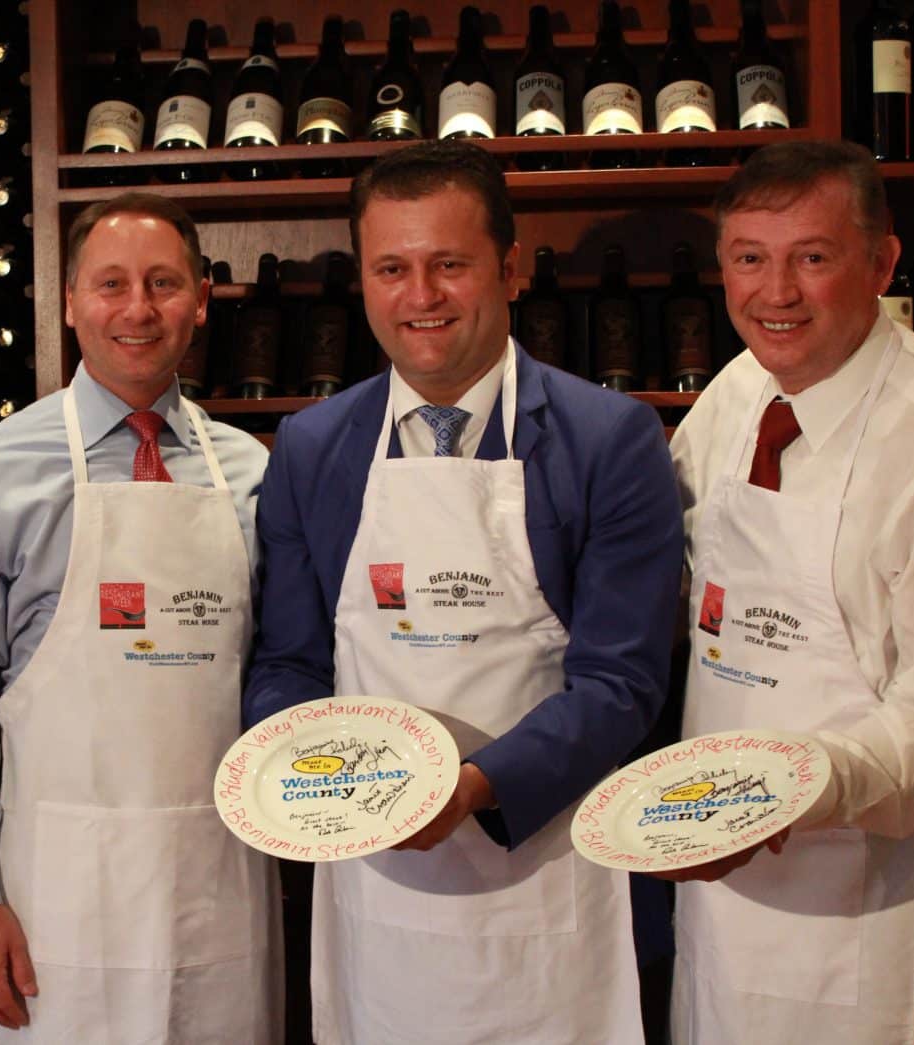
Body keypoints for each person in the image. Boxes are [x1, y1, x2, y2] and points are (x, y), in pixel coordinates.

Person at [244, 140, 683, 1043]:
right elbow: (290, 660)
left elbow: (621, 684)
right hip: (372, 892)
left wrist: (473, 788)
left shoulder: (611, 439)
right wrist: (307, 775)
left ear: (509, 268)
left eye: (450, 264)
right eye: (392, 269)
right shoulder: (312, 446)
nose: (422, 296)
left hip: (548, 875)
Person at [665, 140, 914, 1044]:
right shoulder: (737, 391)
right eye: (749, 258)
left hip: (903, 884)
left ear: (881, 264)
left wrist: (786, 792)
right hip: (729, 869)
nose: (777, 292)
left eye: (813, 256)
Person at [0, 193, 281, 1042]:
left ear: (200, 301)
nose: (137, 308)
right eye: (111, 284)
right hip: (54, 904)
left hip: (220, 889)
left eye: (163, 283)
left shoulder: (253, 473)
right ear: (71, 300)